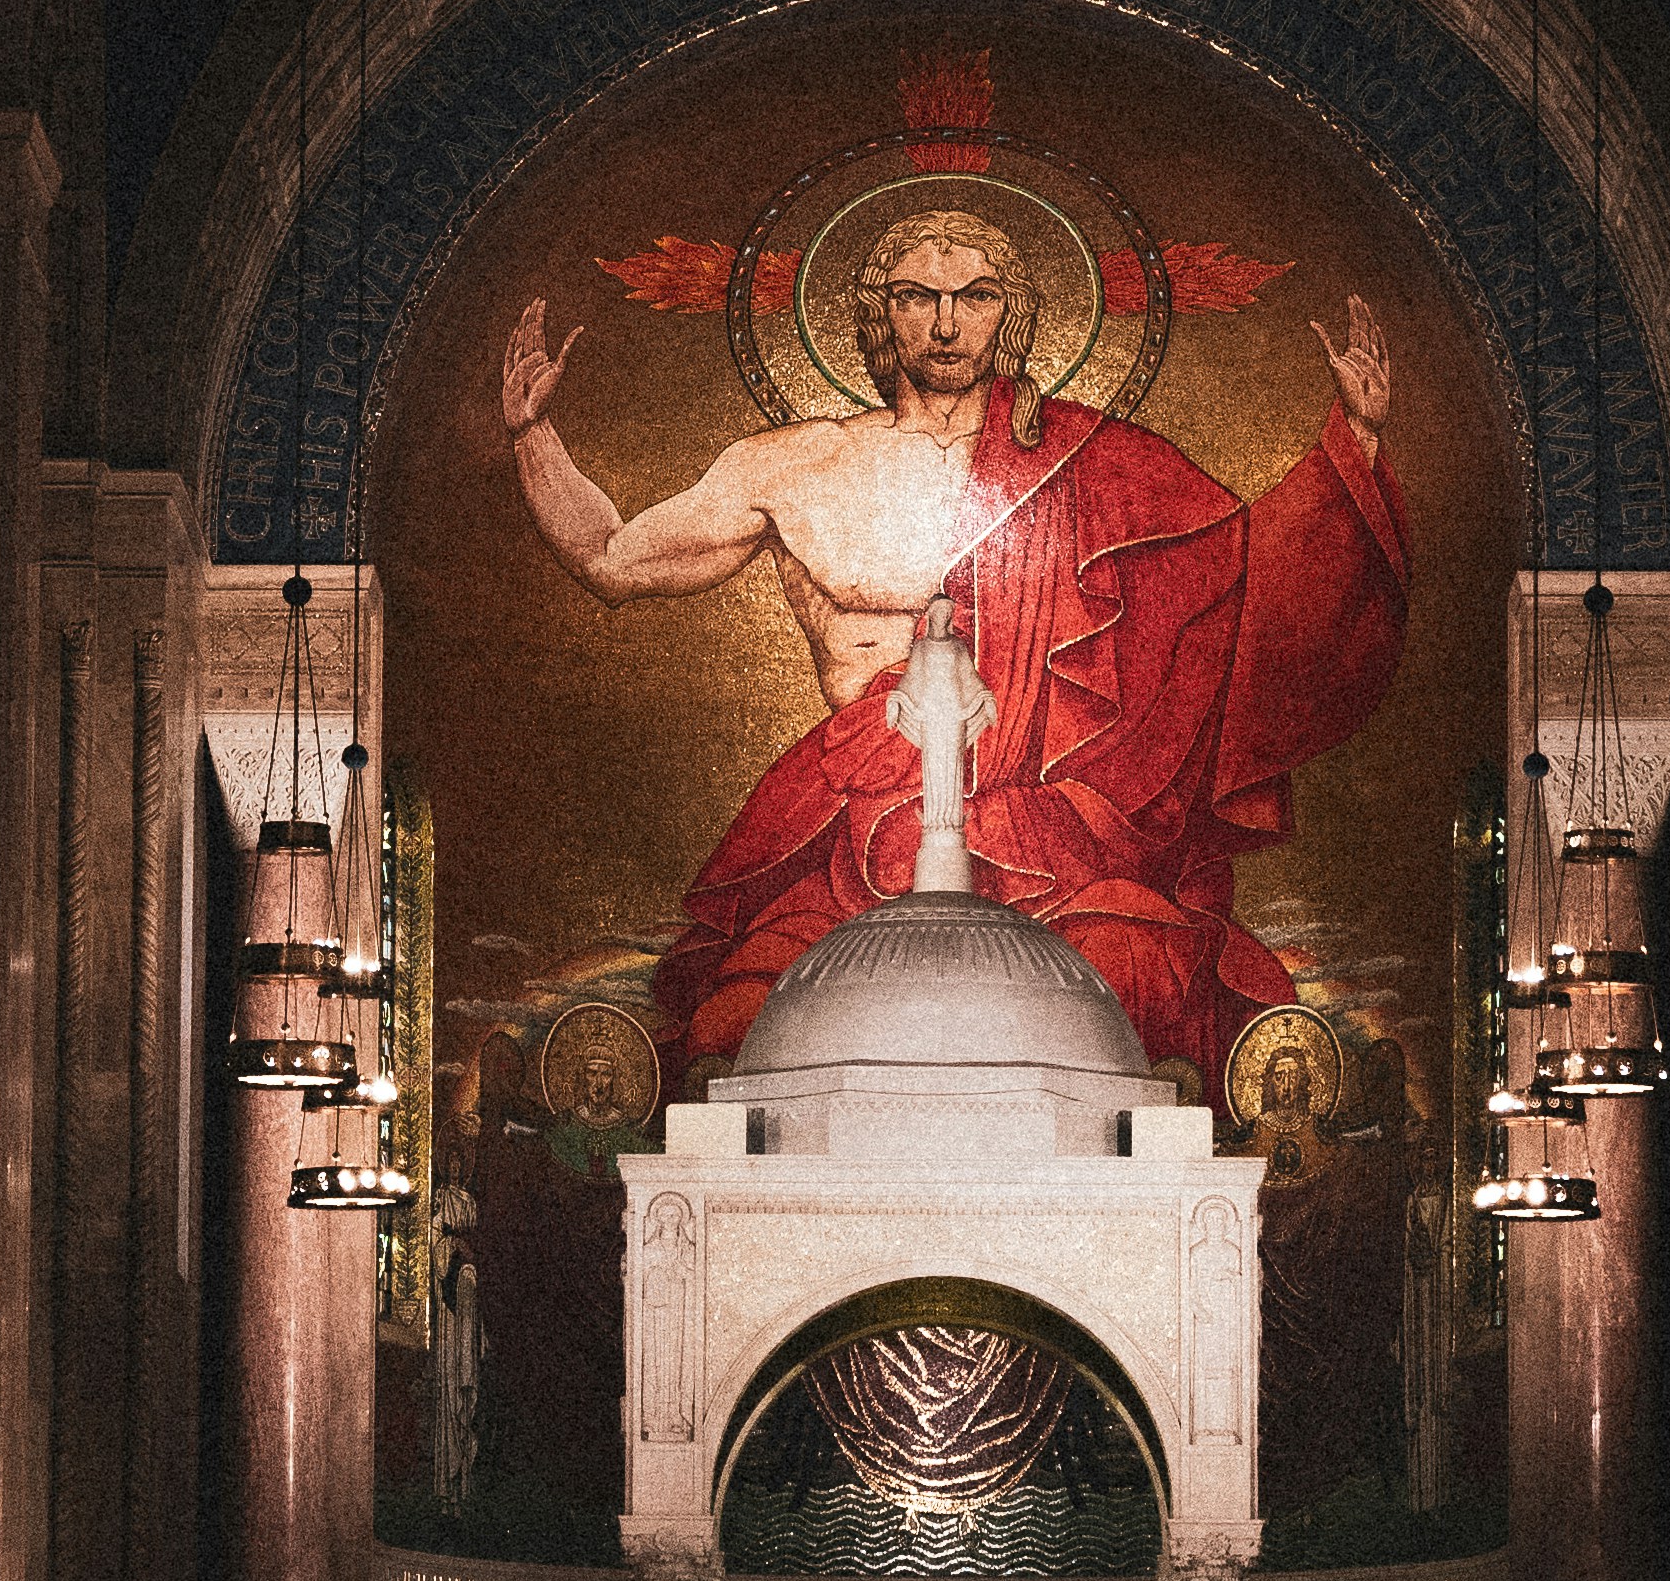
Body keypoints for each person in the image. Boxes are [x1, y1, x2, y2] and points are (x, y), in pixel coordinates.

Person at [501, 205, 1406, 1086]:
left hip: (1051, 832)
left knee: (1134, 976)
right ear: (877, 311)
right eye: (915, 296)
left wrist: (1354, 443)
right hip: (859, 824)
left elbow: (1240, 576)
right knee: (741, 1019)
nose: (944, 322)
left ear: (1007, 312)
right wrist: (529, 434)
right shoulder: (791, 466)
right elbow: (610, 557)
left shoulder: (1080, 456)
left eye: (973, 296)